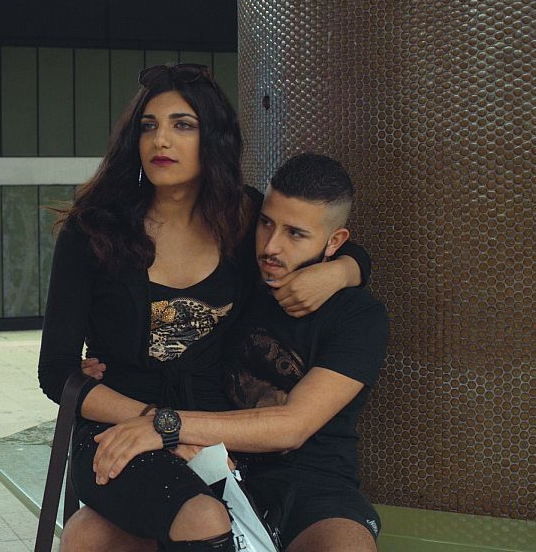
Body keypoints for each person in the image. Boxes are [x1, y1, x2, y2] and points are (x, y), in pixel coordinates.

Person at [37, 64, 372, 551]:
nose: (161, 140)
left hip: (213, 431)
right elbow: (56, 371)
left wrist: (344, 271)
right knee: (200, 516)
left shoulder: (242, 218)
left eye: (183, 125)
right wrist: (158, 423)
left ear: (212, 138)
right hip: (120, 427)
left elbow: (318, 238)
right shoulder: (93, 231)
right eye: (148, 126)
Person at [83, 153, 389, 552]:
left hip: (315, 487)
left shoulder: (359, 317)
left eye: (295, 234)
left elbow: (292, 426)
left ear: (334, 242)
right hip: (211, 468)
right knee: (88, 534)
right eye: (266, 223)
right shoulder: (235, 277)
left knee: (347, 547)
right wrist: (105, 360)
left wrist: (165, 425)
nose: (271, 246)